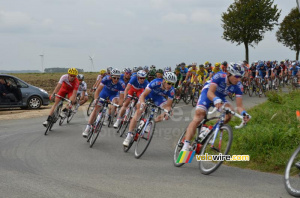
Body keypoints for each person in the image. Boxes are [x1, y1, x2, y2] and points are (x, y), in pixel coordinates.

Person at [181, 63, 251, 151]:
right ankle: (186, 145)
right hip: (208, 92)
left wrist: (244, 114)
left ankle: (211, 131)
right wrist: (215, 99)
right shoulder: (219, 76)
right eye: (236, 76)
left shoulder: (239, 86)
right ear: (229, 73)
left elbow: (239, 106)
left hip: (221, 97)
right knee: (199, 115)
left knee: (229, 112)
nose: (239, 79)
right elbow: (210, 93)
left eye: (240, 77)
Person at [123, 72, 177, 146]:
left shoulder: (171, 91)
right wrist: (142, 103)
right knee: (139, 111)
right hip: (148, 95)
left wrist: (167, 112)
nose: (170, 86)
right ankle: (128, 136)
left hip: (158, 98)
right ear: (164, 80)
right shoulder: (156, 82)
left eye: (172, 84)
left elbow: (168, 106)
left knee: (169, 113)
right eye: (169, 83)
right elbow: (143, 95)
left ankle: (151, 122)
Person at [82, 69, 125, 137]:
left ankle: (108, 115)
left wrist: (119, 105)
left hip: (114, 95)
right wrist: (96, 99)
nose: (116, 79)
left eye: (118, 78)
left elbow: (122, 98)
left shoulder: (122, 84)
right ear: (111, 76)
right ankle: (87, 128)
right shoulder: (106, 79)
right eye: (114, 77)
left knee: (116, 102)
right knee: (96, 109)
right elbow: (98, 90)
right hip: (104, 92)